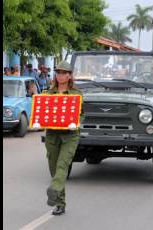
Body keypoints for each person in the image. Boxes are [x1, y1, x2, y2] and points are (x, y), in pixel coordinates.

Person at [44, 61, 84, 215]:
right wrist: (38, 121)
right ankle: (60, 203)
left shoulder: (76, 94)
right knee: (54, 168)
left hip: (70, 135)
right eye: (58, 72)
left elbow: (83, 114)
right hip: (52, 135)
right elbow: (44, 113)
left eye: (64, 73)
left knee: (62, 165)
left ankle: (53, 190)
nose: (60, 75)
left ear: (69, 75)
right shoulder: (48, 93)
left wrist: (77, 123)